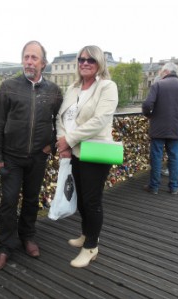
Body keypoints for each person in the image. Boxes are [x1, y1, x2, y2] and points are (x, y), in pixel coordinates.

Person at [0, 40, 63, 273]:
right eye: (26, 57)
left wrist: (51, 145)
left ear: (44, 63)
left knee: (31, 199)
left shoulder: (53, 91)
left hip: (38, 157)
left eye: (34, 58)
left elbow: (61, 122)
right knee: (8, 202)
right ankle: (6, 246)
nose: (29, 62)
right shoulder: (9, 86)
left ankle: (28, 236)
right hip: (11, 156)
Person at [55, 45, 118, 268]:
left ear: (99, 63)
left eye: (90, 60)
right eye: (81, 59)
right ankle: (86, 233)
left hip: (94, 152)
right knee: (80, 198)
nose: (84, 63)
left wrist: (68, 140)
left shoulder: (107, 87)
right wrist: (63, 141)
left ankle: (91, 246)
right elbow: (60, 118)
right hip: (74, 152)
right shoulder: (73, 88)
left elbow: (99, 121)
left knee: (92, 201)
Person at [142, 62, 178, 195]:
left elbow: (147, 104)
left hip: (158, 128)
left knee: (156, 157)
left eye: (161, 71)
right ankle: (174, 187)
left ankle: (154, 186)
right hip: (175, 128)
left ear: (165, 71)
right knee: (174, 157)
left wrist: (150, 115)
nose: (159, 73)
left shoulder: (158, 85)